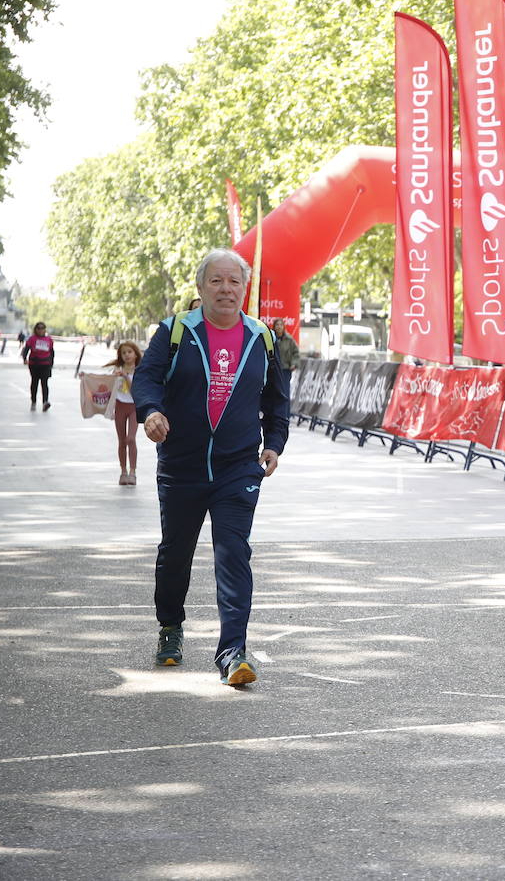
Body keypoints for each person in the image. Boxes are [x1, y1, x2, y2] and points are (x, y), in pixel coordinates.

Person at [133, 248, 289, 685]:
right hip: (181, 464)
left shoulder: (262, 337)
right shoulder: (176, 331)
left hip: (238, 466)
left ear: (245, 289)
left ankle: (233, 652)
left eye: (234, 281)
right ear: (201, 288)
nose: (225, 289)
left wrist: (274, 444)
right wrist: (151, 411)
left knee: (233, 553)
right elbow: (147, 377)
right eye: (216, 281)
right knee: (175, 553)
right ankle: (170, 627)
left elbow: (277, 399)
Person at [105, 341, 143, 485]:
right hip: (120, 407)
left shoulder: (140, 369)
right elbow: (106, 386)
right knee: (121, 441)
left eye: (129, 352)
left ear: (135, 353)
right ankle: (123, 472)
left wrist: (126, 376)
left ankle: (133, 472)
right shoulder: (117, 369)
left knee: (131, 439)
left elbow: (136, 390)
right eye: (123, 353)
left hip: (134, 407)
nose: (127, 355)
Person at [21, 321, 55, 411]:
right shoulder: (32, 339)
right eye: (39, 328)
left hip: (45, 364)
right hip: (34, 364)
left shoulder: (49, 339)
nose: (41, 330)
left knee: (44, 383)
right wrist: (24, 358)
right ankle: (33, 401)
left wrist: (51, 363)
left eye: (43, 328)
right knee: (34, 383)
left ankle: (45, 402)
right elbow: (26, 349)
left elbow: (52, 352)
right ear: (36, 329)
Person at [270, 318, 301, 392]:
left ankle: (286, 404)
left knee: (285, 391)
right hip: (273, 370)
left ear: (284, 326)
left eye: (281, 325)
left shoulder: (289, 339)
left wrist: (294, 364)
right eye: (277, 325)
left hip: (285, 370)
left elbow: (296, 352)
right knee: (274, 392)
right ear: (274, 327)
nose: (279, 327)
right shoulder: (270, 339)